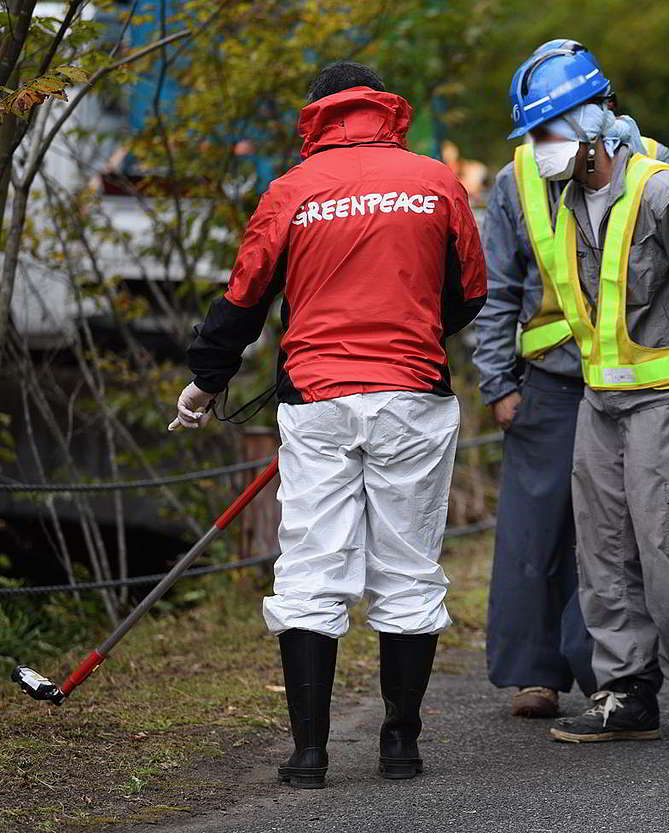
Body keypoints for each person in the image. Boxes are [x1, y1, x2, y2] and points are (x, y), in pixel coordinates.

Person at [168, 61, 486, 786]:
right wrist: (417, 331)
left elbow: (243, 298)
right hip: (412, 393)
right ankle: (399, 745)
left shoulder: (292, 190)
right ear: (384, 108)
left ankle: (308, 754)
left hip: (316, 399)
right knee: (408, 566)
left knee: (311, 566)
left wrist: (206, 380)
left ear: (318, 115)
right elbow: (471, 291)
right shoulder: (435, 181)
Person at [501, 45, 669, 748]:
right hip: (598, 398)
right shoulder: (570, 200)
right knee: (602, 553)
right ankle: (626, 688)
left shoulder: (665, 193)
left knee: (668, 548)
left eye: (546, 134)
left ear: (588, 127)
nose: (538, 151)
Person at [474, 38, 669, 720]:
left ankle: (609, 673)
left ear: (601, 112)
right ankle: (532, 672)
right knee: (533, 534)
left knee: (612, 536)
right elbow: (498, 290)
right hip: (550, 381)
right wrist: (497, 383)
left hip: (633, 383)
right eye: (533, 131)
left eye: (551, 127)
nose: (542, 144)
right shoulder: (517, 182)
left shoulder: (655, 170)